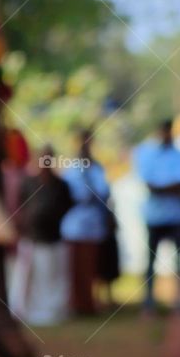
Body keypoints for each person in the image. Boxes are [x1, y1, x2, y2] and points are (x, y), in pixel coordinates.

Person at [133, 119, 180, 313]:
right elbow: (151, 186)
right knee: (151, 261)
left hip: (177, 216)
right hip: (155, 216)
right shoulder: (147, 154)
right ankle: (149, 302)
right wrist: (170, 188)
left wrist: (164, 188)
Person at [10, 148, 73, 326]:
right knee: (28, 277)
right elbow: (20, 207)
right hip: (32, 239)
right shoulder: (28, 183)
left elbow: (67, 206)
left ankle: (53, 312)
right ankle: (27, 312)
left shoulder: (61, 185)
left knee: (53, 277)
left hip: (53, 239)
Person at [60, 131, 113, 316]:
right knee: (75, 269)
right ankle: (76, 304)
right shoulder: (72, 168)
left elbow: (104, 192)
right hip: (74, 224)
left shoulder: (97, 168)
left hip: (93, 223)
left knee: (92, 266)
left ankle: (90, 304)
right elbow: (68, 192)